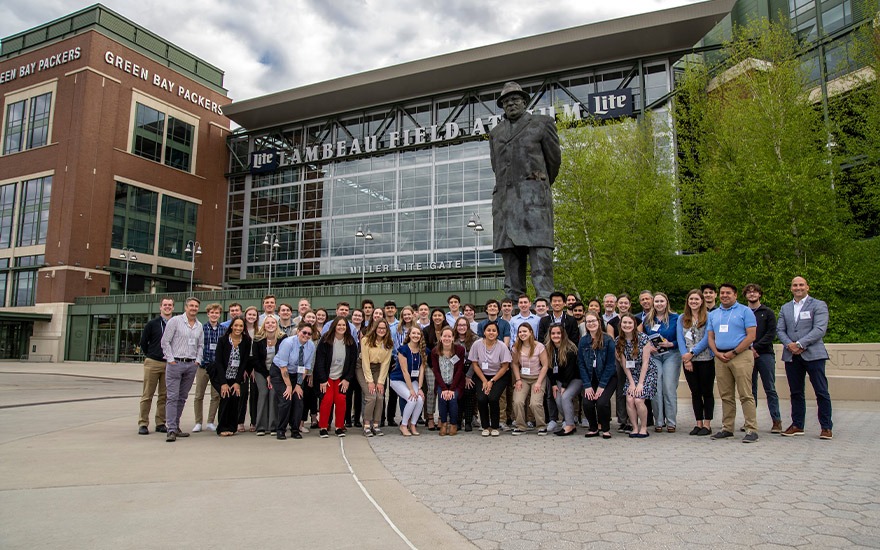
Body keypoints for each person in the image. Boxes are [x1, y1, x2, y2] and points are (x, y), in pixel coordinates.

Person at [488, 81, 562, 301]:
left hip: (534, 204)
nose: (510, 103)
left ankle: (547, 309)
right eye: (506, 101)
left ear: (524, 101)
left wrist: (535, 186)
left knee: (541, 264)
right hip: (505, 206)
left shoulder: (542, 124)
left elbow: (553, 163)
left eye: (515, 99)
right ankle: (511, 313)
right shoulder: (495, 133)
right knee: (511, 270)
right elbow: (497, 168)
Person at [776, 276, 833, 440]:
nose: (798, 287)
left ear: (807, 287)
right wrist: (790, 345)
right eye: (795, 285)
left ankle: (826, 427)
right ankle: (797, 425)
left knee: (821, 391)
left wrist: (800, 344)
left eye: (801, 285)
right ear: (791, 288)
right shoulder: (785, 307)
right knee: (796, 392)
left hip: (813, 354)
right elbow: (780, 330)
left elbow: (820, 329)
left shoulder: (818, 305)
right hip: (791, 355)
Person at [707, 283, 759, 443]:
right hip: (721, 357)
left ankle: (751, 429)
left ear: (735, 295)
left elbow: (751, 336)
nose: (724, 295)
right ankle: (727, 428)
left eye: (728, 293)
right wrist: (716, 353)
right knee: (726, 395)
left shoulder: (745, 311)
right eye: (722, 293)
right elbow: (710, 336)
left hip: (741, 355)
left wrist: (734, 352)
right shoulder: (714, 314)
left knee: (745, 394)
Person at [160, 297, 204, 442]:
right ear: (186, 307)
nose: (193, 308)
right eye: (191, 306)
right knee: (172, 397)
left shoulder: (199, 325)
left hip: (191, 365)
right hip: (176, 363)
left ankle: (176, 426)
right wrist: (170, 359)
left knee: (182, 397)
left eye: (196, 306)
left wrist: (197, 361)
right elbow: (165, 341)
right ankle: (171, 429)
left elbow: (200, 345)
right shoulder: (175, 321)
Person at [744, 283, 782, 433]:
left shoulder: (768, 312)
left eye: (755, 292)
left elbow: (771, 334)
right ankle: (750, 421)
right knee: (750, 390)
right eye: (749, 292)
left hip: (765, 354)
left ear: (760, 294)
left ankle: (776, 421)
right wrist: (748, 348)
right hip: (746, 355)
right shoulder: (742, 312)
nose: (752, 294)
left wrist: (755, 347)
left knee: (770, 388)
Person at [677, 289, 714, 436]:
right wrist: (685, 357)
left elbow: (707, 338)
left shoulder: (709, 317)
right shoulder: (682, 318)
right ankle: (698, 422)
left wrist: (692, 353)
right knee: (695, 392)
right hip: (688, 361)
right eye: (691, 299)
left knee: (707, 392)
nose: (693, 302)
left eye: (697, 299)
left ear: (702, 301)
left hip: (705, 359)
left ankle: (707, 423)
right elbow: (680, 339)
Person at [642, 292, 681, 433]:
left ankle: (671, 421)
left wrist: (671, 344)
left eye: (661, 301)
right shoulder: (648, 319)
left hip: (671, 354)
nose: (659, 304)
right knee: (656, 388)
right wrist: (649, 347)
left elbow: (681, 339)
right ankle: (658, 421)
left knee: (669, 387)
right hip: (655, 356)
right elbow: (643, 338)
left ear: (666, 302)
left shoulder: (676, 318)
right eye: (657, 301)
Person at [314, 317, 358, 438]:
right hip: (326, 377)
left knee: (341, 399)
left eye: (344, 325)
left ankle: (339, 426)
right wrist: (322, 379)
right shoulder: (326, 340)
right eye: (339, 325)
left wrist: (347, 379)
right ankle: (323, 427)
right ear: (334, 326)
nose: (341, 327)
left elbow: (352, 362)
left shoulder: (350, 341)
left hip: (341, 377)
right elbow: (320, 361)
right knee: (327, 400)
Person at [271, 322, 315, 440]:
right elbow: (283, 367)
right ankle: (281, 429)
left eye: (309, 334)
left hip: (297, 374)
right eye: (304, 332)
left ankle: (295, 429)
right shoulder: (288, 343)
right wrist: (289, 386)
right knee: (286, 399)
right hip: (280, 372)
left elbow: (305, 368)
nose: (306, 335)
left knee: (299, 399)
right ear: (298, 331)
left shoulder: (311, 346)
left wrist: (299, 384)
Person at [617, 314, 658, 438]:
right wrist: (632, 383)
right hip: (632, 374)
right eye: (624, 323)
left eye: (630, 323)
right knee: (629, 399)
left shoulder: (643, 338)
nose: (627, 325)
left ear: (634, 324)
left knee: (639, 399)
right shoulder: (619, 340)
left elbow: (646, 362)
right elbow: (624, 365)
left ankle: (644, 427)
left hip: (647, 373)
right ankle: (635, 427)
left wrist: (640, 384)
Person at [469, 321, 512, 437]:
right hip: (481, 375)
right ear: (484, 332)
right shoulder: (477, 344)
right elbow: (475, 364)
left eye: (494, 330)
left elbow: (505, 367)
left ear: (498, 333)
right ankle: (485, 426)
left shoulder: (502, 346)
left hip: (499, 375)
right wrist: (484, 381)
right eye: (488, 330)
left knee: (493, 398)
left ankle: (494, 426)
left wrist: (491, 381)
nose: (491, 332)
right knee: (482, 398)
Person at [137, 297, 173, 435]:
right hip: (153, 362)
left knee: (164, 395)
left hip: (169, 363)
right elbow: (143, 342)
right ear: (160, 307)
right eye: (165, 305)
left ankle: (160, 422)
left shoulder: (175, 323)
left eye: (170, 305)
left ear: (173, 308)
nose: (167, 307)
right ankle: (143, 423)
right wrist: (151, 354)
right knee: (147, 394)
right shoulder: (152, 324)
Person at [578, 313, 617, 439]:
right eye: (588, 322)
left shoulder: (608, 340)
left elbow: (611, 365)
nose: (591, 324)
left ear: (599, 322)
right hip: (590, 378)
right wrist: (587, 385)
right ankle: (593, 428)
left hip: (608, 378)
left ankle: (605, 429)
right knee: (587, 403)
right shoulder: (583, 341)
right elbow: (581, 364)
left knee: (601, 402)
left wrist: (602, 385)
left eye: (593, 321)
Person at [211, 318, 252, 436]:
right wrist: (223, 383)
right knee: (225, 398)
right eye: (236, 325)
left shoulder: (246, 341)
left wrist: (237, 382)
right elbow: (218, 362)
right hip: (221, 375)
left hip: (236, 376)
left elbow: (244, 362)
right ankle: (222, 427)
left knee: (235, 399)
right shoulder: (223, 340)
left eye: (241, 326)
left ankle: (231, 427)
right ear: (231, 326)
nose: (238, 328)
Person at [510, 323, 549, 435]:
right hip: (523, 378)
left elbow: (545, 365)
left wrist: (538, 383)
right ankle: (520, 426)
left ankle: (541, 425)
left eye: (525, 331)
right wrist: (517, 380)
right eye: (520, 332)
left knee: (535, 403)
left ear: (531, 332)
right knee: (517, 401)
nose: (522, 334)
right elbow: (515, 364)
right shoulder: (516, 347)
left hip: (538, 378)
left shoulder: (539, 346)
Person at [358, 319, 393, 437]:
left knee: (379, 396)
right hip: (363, 367)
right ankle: (367, 424)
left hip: (378, 369)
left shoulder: (389, 343)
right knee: (371, 396)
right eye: (379, 328)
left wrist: (381, 382)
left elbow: (385, 364)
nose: (381, 330)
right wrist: (370, 381)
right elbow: (365, 363)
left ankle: (376, 424)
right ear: (375, 329)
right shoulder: (366, 340)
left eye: (384, 328)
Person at [252, 316, 286, 436]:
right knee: (264, 393)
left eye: (273, 322)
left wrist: (272, 375)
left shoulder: (282, 338)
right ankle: (260, 426)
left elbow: (283, 357)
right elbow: (256, 360)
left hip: (276, 371)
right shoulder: (257, 339)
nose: (270, 325)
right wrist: (266, 375)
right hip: (261, 371)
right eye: (268, 323)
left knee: (273, 394)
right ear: (264, 325)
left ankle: (273, 425)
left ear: (276, 324)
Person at [430, 326, 467, 436]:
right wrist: (445, 389)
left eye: (449, 336)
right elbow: (436, 371)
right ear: (440, 338)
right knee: (442, 397)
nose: (447, 338)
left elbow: (460, 370)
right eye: (444, 336)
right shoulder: (435, 351)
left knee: (452, 398)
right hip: (442, 383)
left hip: (456, 383)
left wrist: (451, 389)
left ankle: (453, 424)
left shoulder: (459, 350)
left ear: (453, 338)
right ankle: (444, 424)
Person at [545, 323, 580, 436]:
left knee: (565, 397)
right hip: (559, 380)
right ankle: (569, 420)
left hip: (575, 379)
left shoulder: (570, 348)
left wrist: (564, 386)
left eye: (558, 333)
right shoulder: (548, 349)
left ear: (563, 334)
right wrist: (554, 384)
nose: (556, 335)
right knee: (559, 401)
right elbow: (549, 369)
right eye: (553, 333)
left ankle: (569, 425)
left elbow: (570, 370)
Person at [193, 302, 222, 433]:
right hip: (203, 366)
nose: (214, 315)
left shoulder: (223, 330)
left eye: (217, 313)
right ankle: (198, 422)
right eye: (212, 313)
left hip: (217, 368)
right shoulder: (201, 328)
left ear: (219, 315)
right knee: (199, 395)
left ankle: (210, 421)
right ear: (208, 314)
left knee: (216, 396)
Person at [393, 325, 427, 436]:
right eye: (413, 333)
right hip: (398, 379)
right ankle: (403, 425)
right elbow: (404, 371)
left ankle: (412, 424)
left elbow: (422, 371)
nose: (416, 336)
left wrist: (420, 388)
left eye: (418, 334)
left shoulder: (423, 350)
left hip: (412, 380)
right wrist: (411, 389)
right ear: (409, 335)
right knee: (412, 399)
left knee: (420, 399)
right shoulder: (403, 350)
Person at [422, 308, 449, 430]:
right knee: (431, 390)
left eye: (440, 315)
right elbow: (425, 350)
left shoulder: (449, 330)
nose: (437, 317)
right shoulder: (426, 331)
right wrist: (433, 366)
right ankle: (430, 417)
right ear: (431, 317)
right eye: (435, 315)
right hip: (430, 365)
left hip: (446, 365)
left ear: (444, 317)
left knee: (443, 389)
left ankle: (441, 418)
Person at [453, 316, 479, 432]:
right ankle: (458, 421)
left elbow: (475, 360)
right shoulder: (452, 339)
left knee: (469, 394)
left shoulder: (475, 339)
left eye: (464, 325)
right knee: (458, 395)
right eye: (459, 325)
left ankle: (468, 422)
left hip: (471, 370)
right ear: (456, 327)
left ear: (468, 326)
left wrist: (468, 376)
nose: (462, 327)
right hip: (456, 370)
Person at [238, 306, 260, 433]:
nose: (251, 317)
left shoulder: (259, 330)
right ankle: (240, 421)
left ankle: (254, 421)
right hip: (242, 364)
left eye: (254, 315)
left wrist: (254, 368)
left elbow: (259, 351)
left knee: (255, 394)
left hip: (255, 363)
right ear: (245, 315)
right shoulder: (241, 330)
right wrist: (245, 368)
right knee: (243, 393)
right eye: (249, 314)